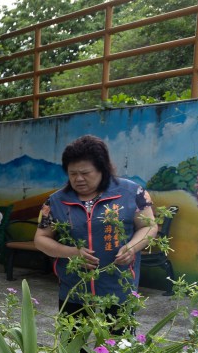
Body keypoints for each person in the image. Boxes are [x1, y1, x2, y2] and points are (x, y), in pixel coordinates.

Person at [34, 134, 158, 322]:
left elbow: (149, 227)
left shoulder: (132, 193)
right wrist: (72, 253)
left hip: (119, 287)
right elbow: (41, 238)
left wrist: (132, 247)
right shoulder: (56, 201)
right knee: (73, 348)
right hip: (75, 289)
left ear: (103, 169)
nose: (78, 179)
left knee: (118, 346)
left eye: (85, 173)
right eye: (72, 173)